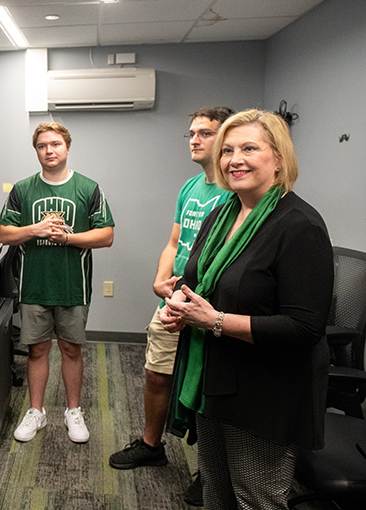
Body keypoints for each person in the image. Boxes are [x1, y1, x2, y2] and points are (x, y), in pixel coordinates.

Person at [160, 109, 333, 509]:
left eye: (249, 148)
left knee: (257, 499)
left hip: (265, 392)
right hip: (215, 379)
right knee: (216, 494)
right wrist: (180, 305)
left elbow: (305, 328)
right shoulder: (222, 214)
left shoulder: (299, 225)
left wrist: (215, 321)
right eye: (228, 150)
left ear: (278, 158)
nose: (234, 159)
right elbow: (201, 277)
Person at [109, 106, 234, 505]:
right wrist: (161, 283)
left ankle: (208, 470)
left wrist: (188, 294)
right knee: (157, 373)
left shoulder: (235, 192)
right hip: (174, 298)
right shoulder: (190, 188)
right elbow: (174, 243)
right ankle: (151, 445)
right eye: (191, 133)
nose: (195, 140)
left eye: (205, 133)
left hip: (208, 302)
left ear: (224, 138)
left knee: (203, 386)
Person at [0, 122, 114, 444]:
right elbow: (4, 234)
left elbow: (106, 235)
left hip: (72, 286)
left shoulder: (88, 188)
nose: (49, 151)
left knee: (70, 349)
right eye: (41, 146)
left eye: (55, 144)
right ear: (36, 151)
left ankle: (73, 411)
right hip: (34, 285)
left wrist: (67, 237)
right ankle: (37, 411)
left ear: (67, 147)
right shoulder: (22, 190)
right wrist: (35, 229)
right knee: (37, 351)